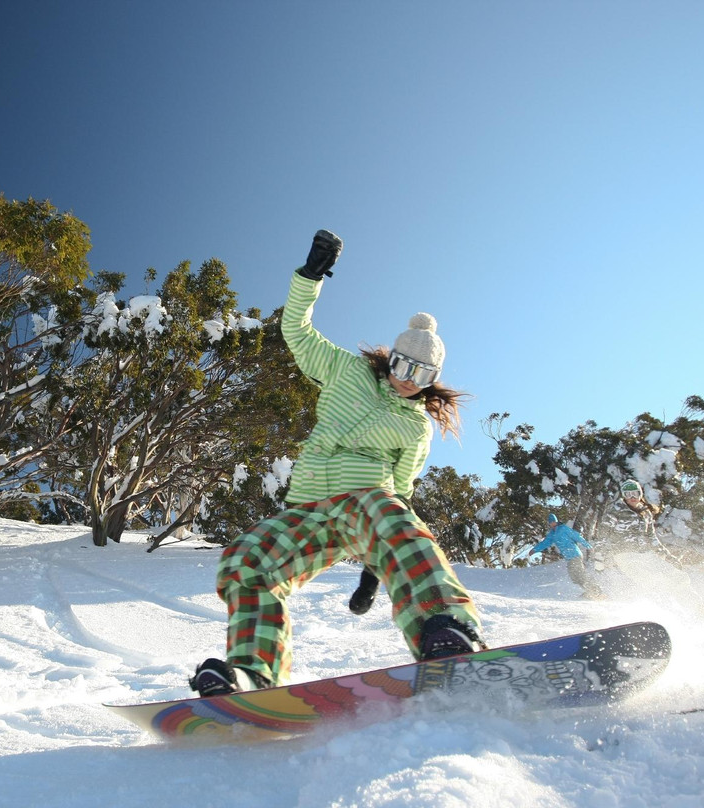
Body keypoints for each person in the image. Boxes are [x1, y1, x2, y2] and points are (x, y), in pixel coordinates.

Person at [190, 230, 487, 697]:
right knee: (245, 560)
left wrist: (374, 569)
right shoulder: (344, 369)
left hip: (364, 502)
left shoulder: (416, 428)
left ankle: (446, 633)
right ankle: (253, 672)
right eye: (402, 366)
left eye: (421, 375)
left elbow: (402, 492)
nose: (408, 381)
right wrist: (310, 278)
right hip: (308, 509)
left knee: (392, 517)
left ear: (432, 378)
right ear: (391, 359)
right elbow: (297, 332)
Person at [531, 514, 602, 599]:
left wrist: (588, 546)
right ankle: (590, 591)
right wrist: (535, 550)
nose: (552, 523)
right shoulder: (552, 534)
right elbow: (545, 543)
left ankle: (595, 590)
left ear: (556, 521)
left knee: (579, 574)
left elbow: (576, 536)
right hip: (569, 558)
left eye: (554, 521)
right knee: (574, 578)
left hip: (575, 554)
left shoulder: (563, 529)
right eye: (551, 522)